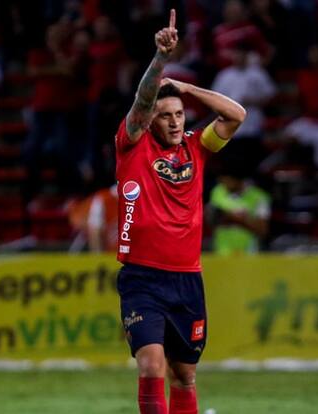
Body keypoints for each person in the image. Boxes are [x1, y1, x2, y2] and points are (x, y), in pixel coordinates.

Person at [114, 10, 246, 414]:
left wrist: (186, 87)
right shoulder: (133, 145)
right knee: (151, 365)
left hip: (187, 278)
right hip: (143, 277)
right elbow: (142, 101)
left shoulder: (197, 147)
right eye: (164, 115)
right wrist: (161, 59)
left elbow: (236, 115)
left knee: (184, 375)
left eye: (178, 114)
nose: (173, 122)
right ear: (149, 121)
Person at [208, 170, 270, 255]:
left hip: (248, 253)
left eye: (227, 181)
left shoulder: (259, 197)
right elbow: (211, 220)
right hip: (222, 252)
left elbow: (262, 230)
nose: (224, 185)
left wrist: (237, 219)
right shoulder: (217, 192)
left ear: (237, 180)